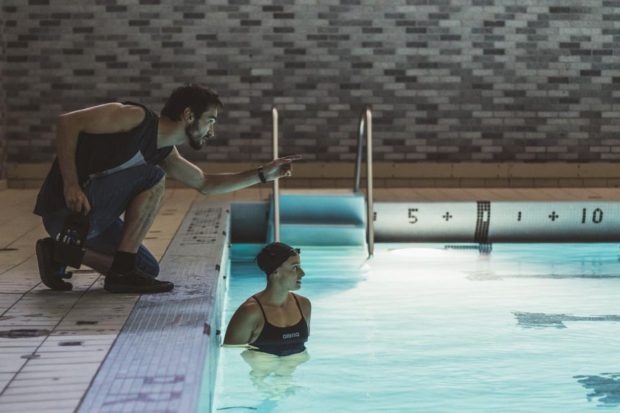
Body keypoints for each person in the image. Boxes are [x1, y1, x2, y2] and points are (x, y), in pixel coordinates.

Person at [33, 84, 299, 294]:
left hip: (89, 220)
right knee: (153, 176)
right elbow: (68, 122)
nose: (212, 131)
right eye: (210, 120)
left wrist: (264, 174)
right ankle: (119, 273)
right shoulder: (134, 117)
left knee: (146, 269)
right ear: (188, 115)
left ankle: (61, 253)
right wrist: (70, 184)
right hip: (66, 210)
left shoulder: (163, 152)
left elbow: (205, 183)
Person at [224, 242, 311, 356]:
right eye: (295, 268)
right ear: (275, 271)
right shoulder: (250, 312)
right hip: (261, 371)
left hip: (293, 369)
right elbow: (230, 355)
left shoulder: (304, 305)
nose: (302, 273)